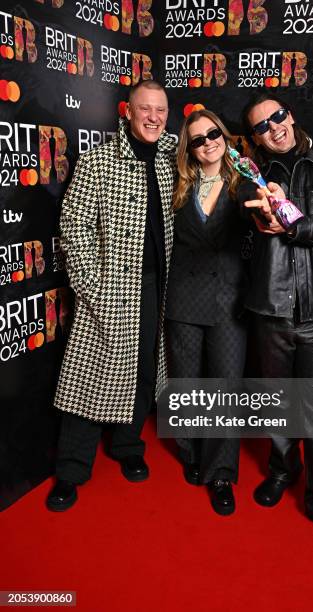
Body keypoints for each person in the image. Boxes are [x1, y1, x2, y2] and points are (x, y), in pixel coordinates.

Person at [46, 80, 177, 511]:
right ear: (127, 111)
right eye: (145, 109)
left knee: (141, 374)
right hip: (110, 288)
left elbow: (216, 154)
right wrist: (90, 283)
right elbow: (73, 224)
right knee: (87, 377)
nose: (153, 117)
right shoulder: (98, 161)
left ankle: (127, 447)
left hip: (156, 287)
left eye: (160, 110)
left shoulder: (172, 156)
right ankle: (71, 470)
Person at [239, 93, 313, 552]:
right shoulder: (252, 177)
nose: (275, 127)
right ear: (255, 138)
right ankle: (281, 471)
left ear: (291, 117)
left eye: (279, 116)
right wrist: (266, 214)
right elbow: (250, 223)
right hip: (271, 307)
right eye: (262, 125)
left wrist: (296, 225)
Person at [165, 110, 249, 515]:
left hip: (229, 299)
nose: (208, 142)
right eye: (197, 139)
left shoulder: (246, 180)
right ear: (189, 148)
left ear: (224, 134)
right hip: (183, 299)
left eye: (213, 133)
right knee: (185, 383)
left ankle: (221, 473)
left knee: (225, 388)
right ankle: (191, 453)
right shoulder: (177, 184)